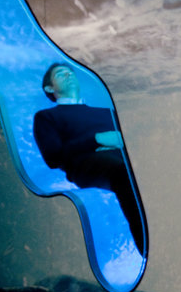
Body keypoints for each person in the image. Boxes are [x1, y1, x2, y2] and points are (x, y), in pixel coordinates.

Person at [33, 63, 146, 253]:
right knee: (123, 173)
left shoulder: (106, 112)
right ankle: (145, 246)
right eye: (61, 73)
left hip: (120, 158)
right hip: (84, 166)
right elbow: (53, 157)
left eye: (71, 72)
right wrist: (97, 139)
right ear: (49, 88)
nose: (68, 74)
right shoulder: (46, 117)